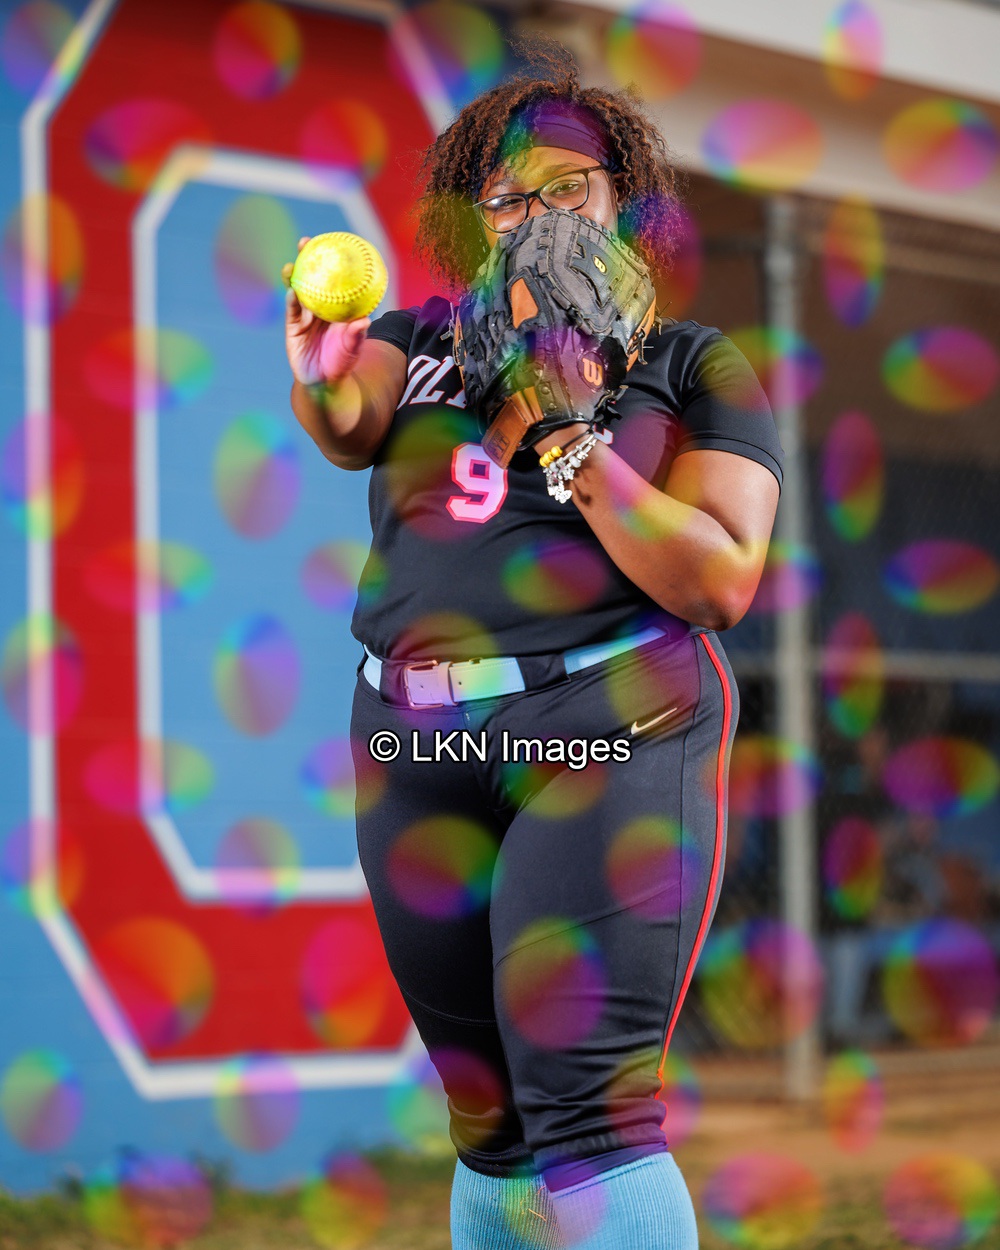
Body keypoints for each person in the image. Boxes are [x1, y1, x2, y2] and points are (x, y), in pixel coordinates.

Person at [284, 44, 783, 1250]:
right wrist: (321, 374)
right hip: (413, 736)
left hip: (607, 722)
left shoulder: (689, 362)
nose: (536, 214)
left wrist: (567, 429)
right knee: (490, 1121)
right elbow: (350, 422)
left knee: (586, 1110)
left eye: (569, 187)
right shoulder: (423, 336)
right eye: (508, 198)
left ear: (625, 201)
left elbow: (719, 577)